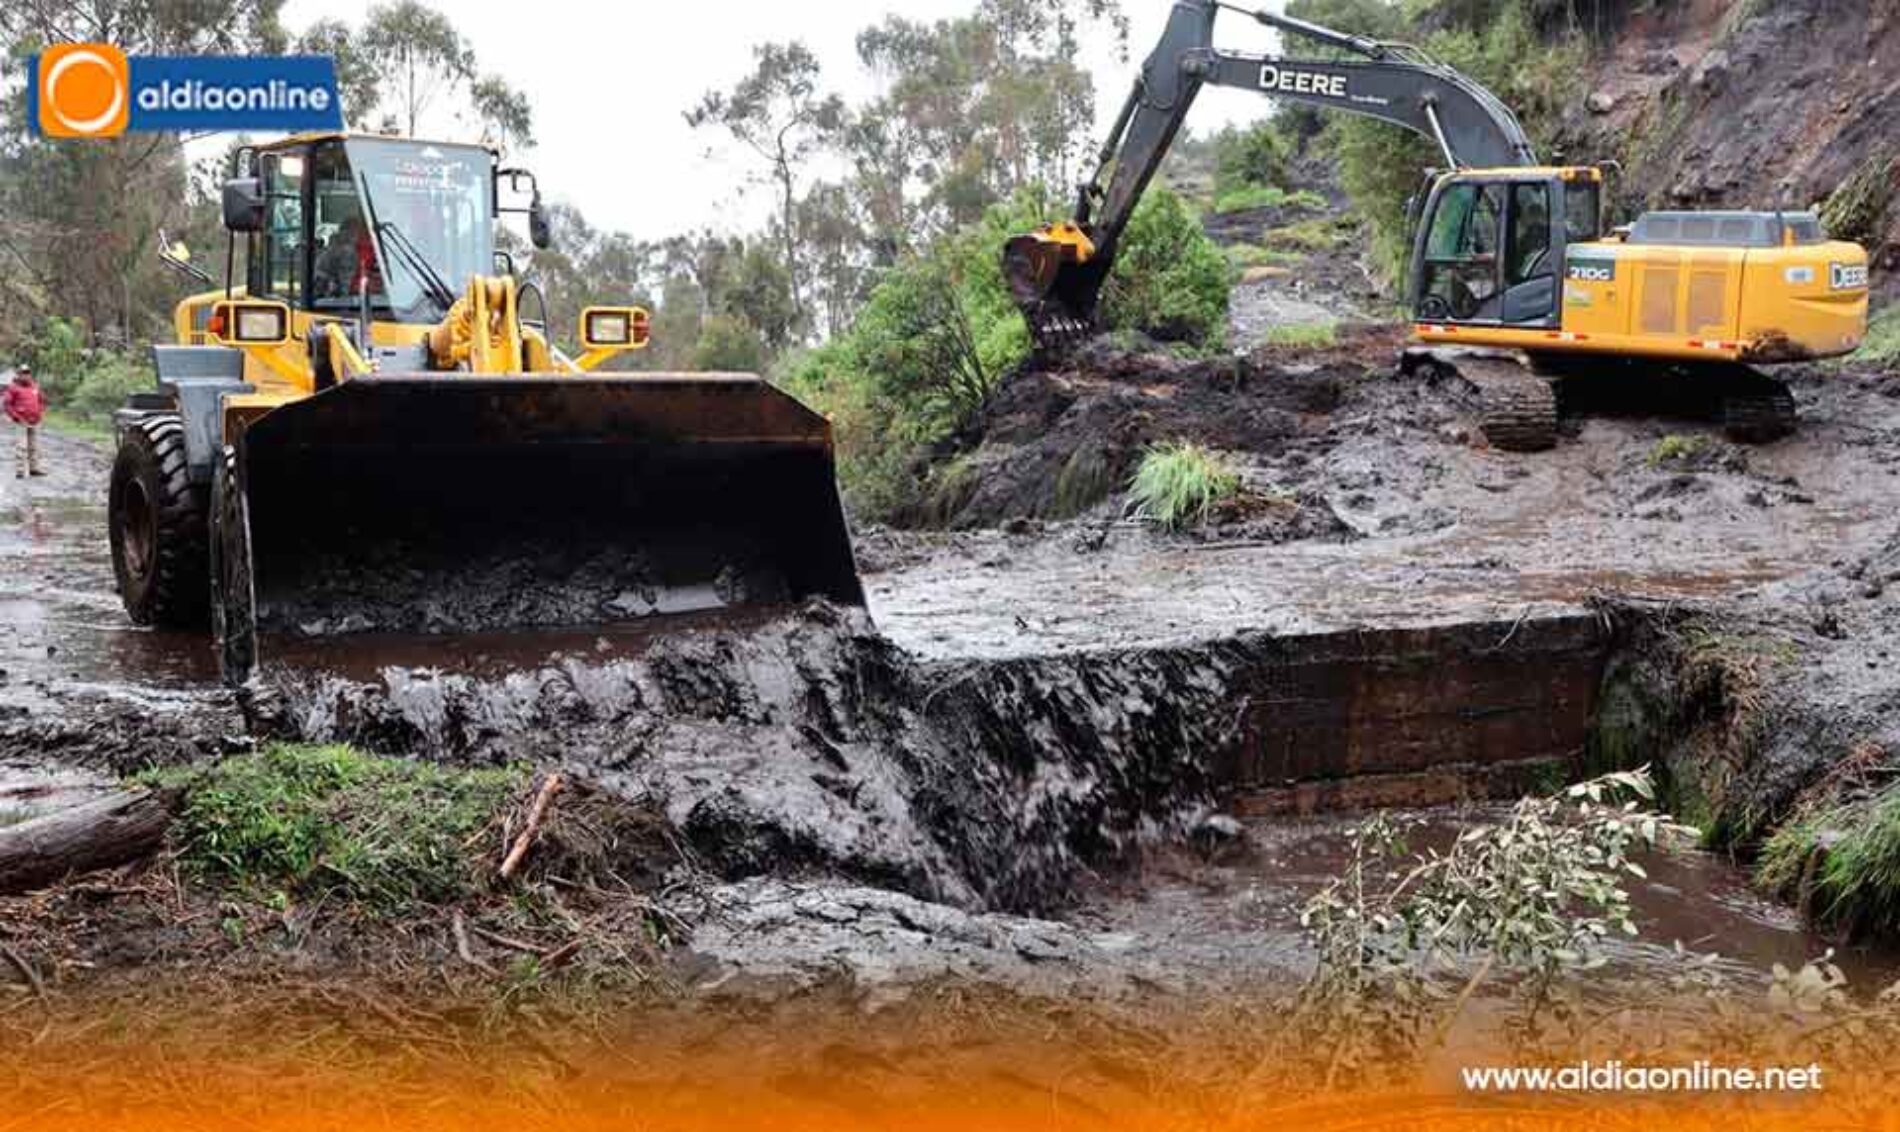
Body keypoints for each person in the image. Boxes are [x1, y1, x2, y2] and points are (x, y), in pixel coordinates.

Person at [4, 365, 44, 478]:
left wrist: (40, 413)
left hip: (35, 421)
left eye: (27, 372)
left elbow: (41, 401)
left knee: (34, 446)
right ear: (19, 374)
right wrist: (15, 417)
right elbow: (7, 404)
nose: (25, 375)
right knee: (21, 446)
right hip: (21, 421)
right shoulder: (13, 387)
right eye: (23, 373)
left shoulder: (35, 386)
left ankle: (34, 469)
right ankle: (20, 471)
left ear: (30, 374)